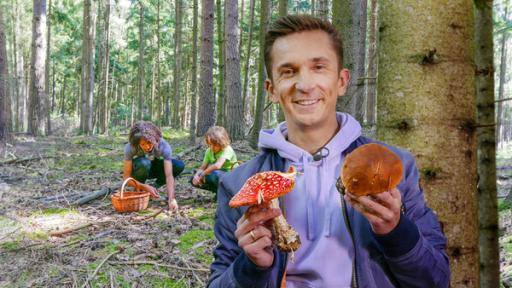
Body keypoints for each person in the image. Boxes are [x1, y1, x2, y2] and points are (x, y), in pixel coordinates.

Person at [208, 15, 449, 288]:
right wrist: (250, 268)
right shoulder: (240, 184)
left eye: (319, 67)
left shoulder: (394, 168)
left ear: (342, 80)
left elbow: (437, 279)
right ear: (272, 89)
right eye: (288, 71)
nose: (305, 84)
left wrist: (397, 232)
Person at [123, 121, 185, 211]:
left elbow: (169, 176)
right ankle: (140, 189)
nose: (147, 147)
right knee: (144, 163)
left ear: (155, 139)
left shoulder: (163, 146)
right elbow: (126, 178)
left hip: (154, 168)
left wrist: (171, 199)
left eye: (149, 143)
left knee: (178, 165)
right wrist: (144, 186)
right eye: (143, 144)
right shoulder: (131, 147)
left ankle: (154, 187)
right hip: (140, 168)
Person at [191, 126, 238, 197]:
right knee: (193, 180)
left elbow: (218, 165)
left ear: (222, 142)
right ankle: (218, 193)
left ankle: (228, 195)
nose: (212, 147)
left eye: (215, 145)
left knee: (215, 175)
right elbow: (203, 167)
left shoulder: (227, 149)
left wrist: (203, 174)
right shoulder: (208, 151)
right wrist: (197, 175)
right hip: (218, 176)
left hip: (232, 178)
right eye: (210, 144)